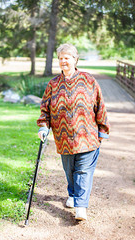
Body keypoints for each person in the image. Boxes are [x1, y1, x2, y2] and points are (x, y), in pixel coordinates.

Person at [37, 43, 110, 221]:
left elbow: (99, 105)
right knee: (70, 171)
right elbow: (45, 109)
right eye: (61, 58)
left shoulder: (88, 80)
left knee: (83, 171)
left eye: (67, 58)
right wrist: (43, 126)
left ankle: (81, 207)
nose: (63, 61)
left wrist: (103, 129)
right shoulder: (53, 84)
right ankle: (73, 194)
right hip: (64, 138)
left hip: (87, 136)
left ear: (75, 59)